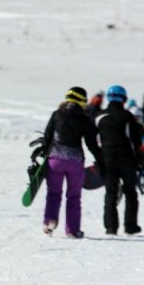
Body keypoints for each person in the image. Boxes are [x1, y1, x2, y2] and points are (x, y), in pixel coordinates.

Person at [41, 87, 104, 238]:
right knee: (74, 196)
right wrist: (101, 160)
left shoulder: (56, 115)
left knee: (53, 193)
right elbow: (91, 143)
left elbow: (47, 137)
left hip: (55, 160)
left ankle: (49, 221)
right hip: (75, 161)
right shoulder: (85, 119)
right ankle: (72, 230)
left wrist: (43, 156)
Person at [94, 85, 143, 235]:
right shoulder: (128, 116)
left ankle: (111, 227)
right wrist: (139, 158)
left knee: (110, 193)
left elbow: (94, 140)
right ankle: (130, 226)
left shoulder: (99, 116)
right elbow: (136, 140)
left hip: (107, 159)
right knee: (130, 192)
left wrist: (99, 159)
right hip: (126, 159)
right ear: (124, 99)